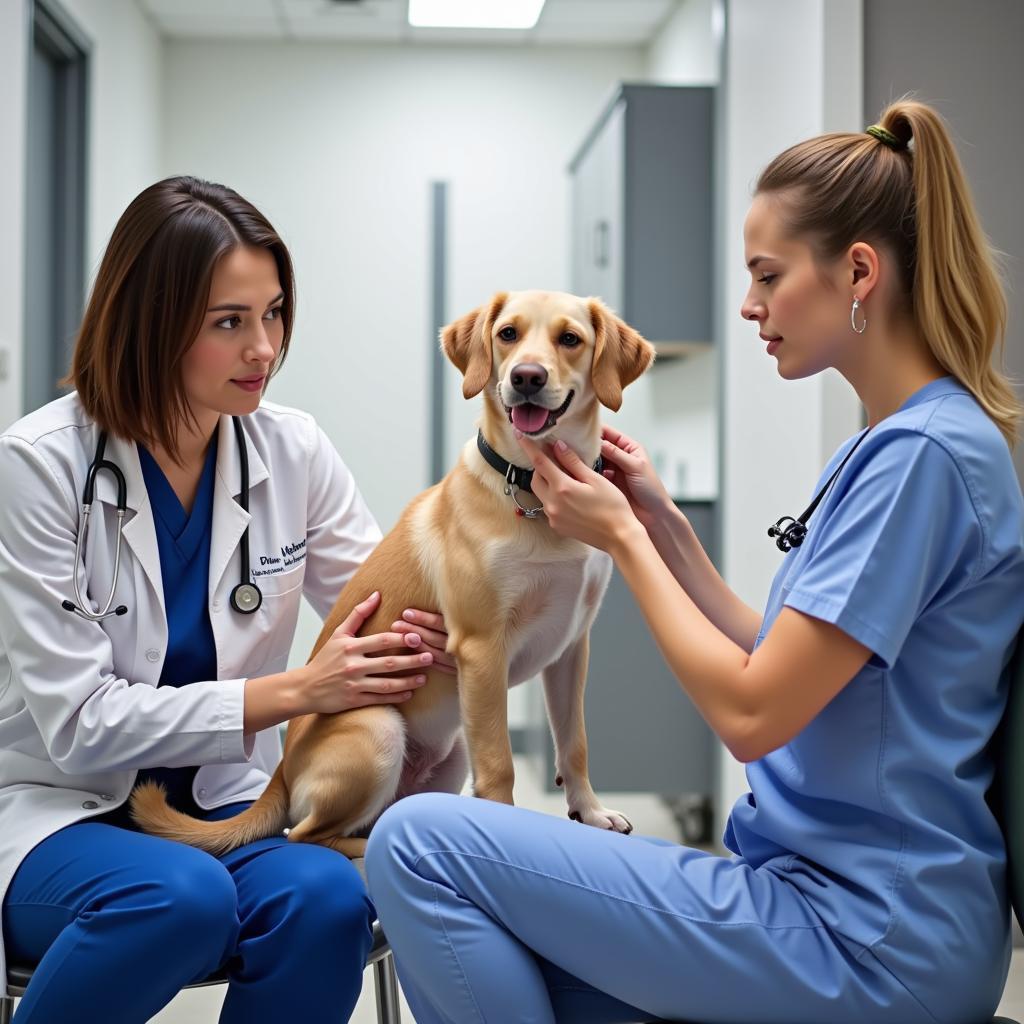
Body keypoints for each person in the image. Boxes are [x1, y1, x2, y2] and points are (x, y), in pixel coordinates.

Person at [364, 100, 1024, 1023]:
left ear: (859, 274)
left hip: (864, 930)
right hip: (826, 893)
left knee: (416, 844)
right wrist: (669, 532)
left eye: (766, 276)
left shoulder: (921, 459)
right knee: (514, 970)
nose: (749, 305)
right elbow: (792, 660)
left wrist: (624, 543)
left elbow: (754, 714)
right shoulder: (895, 443)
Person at [0, 175, 454, 1023]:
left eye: (274, 313)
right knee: (182, 898)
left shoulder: (292, 450)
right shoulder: (39, 465)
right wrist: (294, 693)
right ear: (152, 322)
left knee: (326, 899)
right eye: (229, 323)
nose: (265, 349)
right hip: (60, 814)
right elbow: (77, 723)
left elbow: (384, 608)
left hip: (224, 802)